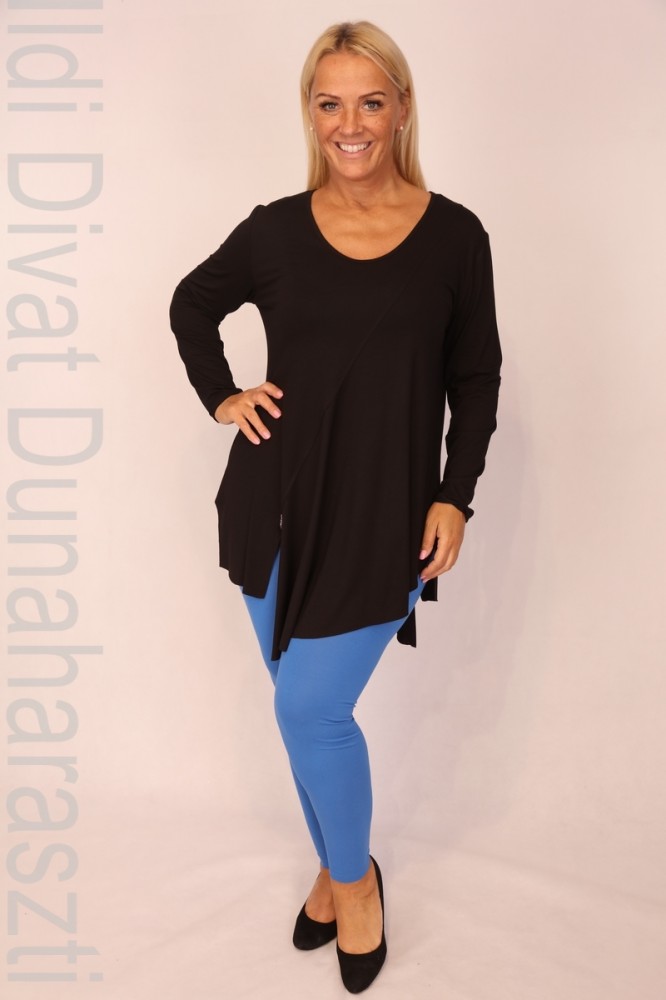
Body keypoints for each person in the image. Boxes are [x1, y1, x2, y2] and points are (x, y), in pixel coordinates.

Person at [169, 20, 501, 994]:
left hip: (383, 516)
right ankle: (340, 869)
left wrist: (455, 497)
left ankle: (354, 887)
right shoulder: (274, 230)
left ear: (400, 109)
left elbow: (475, 379)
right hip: (271, 502)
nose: (349, 124)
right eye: (330, 104)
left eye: (369, 101)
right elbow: (192, 303)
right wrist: (222, 396)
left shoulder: (455, 236)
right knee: (299, 710)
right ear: (310, 115)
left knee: (311, 706)